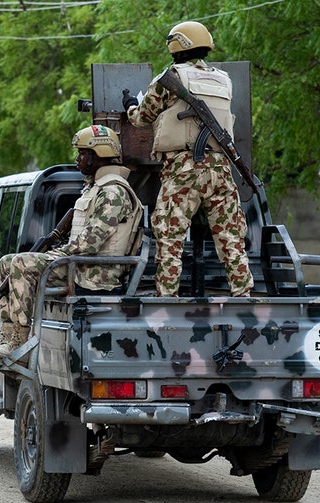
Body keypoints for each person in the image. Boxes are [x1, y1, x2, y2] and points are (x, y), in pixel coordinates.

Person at [0, 125, 142, 358]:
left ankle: (18, 341)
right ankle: (7, 335)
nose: (78, 159)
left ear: (99, 154)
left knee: (22, 263)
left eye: (83, 153)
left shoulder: (113, 192)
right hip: (80, 265)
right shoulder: (96, 188)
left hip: (96, 273)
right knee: (6, 262)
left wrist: (54, 254)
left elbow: (90, 243)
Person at [124, 21, 253, 298]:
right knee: (231, 238)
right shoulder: (224, 80)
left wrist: (130, 106)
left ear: (176, 46)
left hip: (184, 169)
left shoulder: (170, 78)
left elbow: (142, 118)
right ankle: (243, 295)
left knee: (170, 238)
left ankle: (167, 298)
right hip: (221, 168)